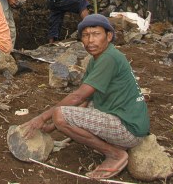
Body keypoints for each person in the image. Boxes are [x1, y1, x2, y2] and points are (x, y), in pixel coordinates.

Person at [21, 14, 150, 180]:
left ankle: (115, 154)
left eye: (96, 34)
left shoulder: (108, 58)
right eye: (86, 35)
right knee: (73, 110)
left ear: (109, 36)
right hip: (128, 120)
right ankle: (111, 145)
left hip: (128, 129)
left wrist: (43, 118)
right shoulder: (96, 60)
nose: (90, 40)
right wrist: (52, 127)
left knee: (61, 115)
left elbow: (77, 97)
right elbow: (86, 100)